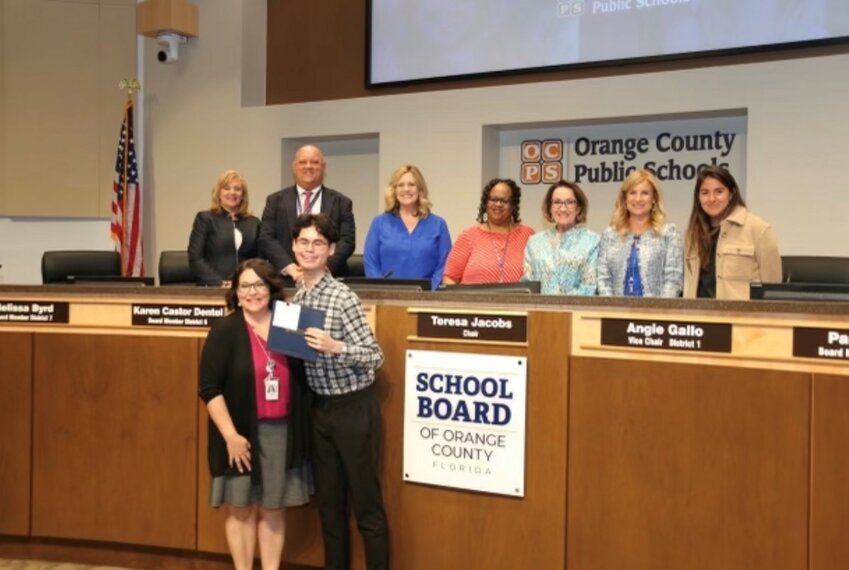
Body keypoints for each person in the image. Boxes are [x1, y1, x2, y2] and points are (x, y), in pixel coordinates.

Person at [198, 258, 312, 570]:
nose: (252, 292)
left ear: (272, 288)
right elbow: (209, 388)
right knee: (241, 509)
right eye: (245, 286)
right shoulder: (225, 329)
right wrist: (231, 437)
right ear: (235, 292)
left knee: (274, 509)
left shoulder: (290, 321)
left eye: (259, 285)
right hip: (240, 434)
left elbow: (307, 378)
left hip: (283, 432)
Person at [292, 213, 388, 570]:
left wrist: (337, 348)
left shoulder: (343, 296)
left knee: (366, 507)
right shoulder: (297, 297)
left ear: (331, 249)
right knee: (330, 510)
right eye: (304, 242)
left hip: (352, 410)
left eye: (318, 243)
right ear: (293, 246)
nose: (310, 249)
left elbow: (375, 357)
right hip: (318, 411)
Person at [259, 145, 356, 283]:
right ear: (294, 166)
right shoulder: (275, 201)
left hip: (328, 281)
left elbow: (347, 241)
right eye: (303, 162)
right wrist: (291, 268)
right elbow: (266, 238)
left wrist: (321, 268)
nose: (308, 166)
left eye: (314, 162)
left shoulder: (342, 203)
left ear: (323, 166)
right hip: (285, 281)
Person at [684, 165, 781, 300]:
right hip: (699, 317)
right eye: (705, 193)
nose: (711, 199)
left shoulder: (758, 229)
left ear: (731, 193)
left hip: (742, 318)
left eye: (719, 191)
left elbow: (772, 289)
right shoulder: (692, 233)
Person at [363, 165, 451, 290]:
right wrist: (381, 290)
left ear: (420, 189)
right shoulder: (379, 223)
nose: (406, 189)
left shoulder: (438, 224)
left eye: (411, 184)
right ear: (394, 190)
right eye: (400, 185)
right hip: (387, 299)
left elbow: (444, 265)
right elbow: (371, 263)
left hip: (427, 298)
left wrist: (430, 291)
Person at [597, 169, 683, 297]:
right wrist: (612, 309)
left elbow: (673, 279)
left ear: (654, 198)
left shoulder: (669, 233)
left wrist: (658, 312)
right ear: (625, 198)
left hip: (656, 313)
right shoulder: (609, 234)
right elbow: (603, 278)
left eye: (644, 193)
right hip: (614, 313)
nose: (638, 199)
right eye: (632, 193)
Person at [442, 178, 535, 285]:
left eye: (504, 201)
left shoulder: (527, 235)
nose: (498, 204)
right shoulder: (468, 236)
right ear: (485, 203)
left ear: (513, 206)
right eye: (493, 200)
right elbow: (450, 278)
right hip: (473, 301)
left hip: (517, 301)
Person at [523, 180, 599, 295]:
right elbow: (527, 285)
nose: (563, 208)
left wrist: (560, 305)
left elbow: (590, 286)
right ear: (550, 208)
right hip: (539, 310)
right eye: (557, 202)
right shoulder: (534, 242)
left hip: (577, 310)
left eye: (569, 202)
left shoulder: (593, 241)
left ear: (578, 208)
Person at [188, 170, 260, 286]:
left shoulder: (254, 223)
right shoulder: (205, 219)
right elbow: (195, 258)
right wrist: (219, 283)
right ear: (218, 193)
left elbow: (259, 260)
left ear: (243, 195)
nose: (232, 192)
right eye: (226, 188)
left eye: (237, 189)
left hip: (246, 288)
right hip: (213, 287)